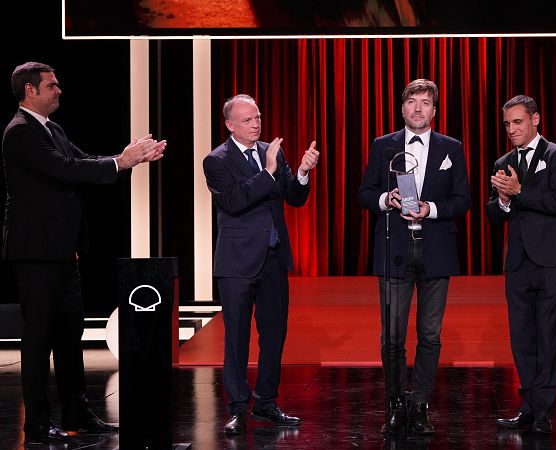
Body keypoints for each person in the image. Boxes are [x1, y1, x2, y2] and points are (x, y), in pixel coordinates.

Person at [1, 61, 166, 444]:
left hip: (63, 252)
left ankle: (77, 413)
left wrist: (127, 159)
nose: (59, 90)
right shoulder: (20, 133)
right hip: (36, 253)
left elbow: (84, 161)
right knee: (39, 339)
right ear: (30, 90)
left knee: (70, 335)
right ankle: (37, 426)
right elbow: (66, 169)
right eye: (52, 85)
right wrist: (121, 162)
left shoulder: (51, 129)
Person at [357, 79, 471, 435]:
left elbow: (462, 200)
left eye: (425, 102)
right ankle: (394, 405)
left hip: (435, 249)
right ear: (402, 108)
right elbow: (364, 193)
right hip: (394, 249)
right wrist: (384, 200)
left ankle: (419, 405)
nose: (418, 108)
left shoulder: (451, 147)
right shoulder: (382, 146)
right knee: (391, 335)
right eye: (412, 102)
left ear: (434, 111)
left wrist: (431, 208)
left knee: (430, 334)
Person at [203, 94, 318, 436]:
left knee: (274, 336)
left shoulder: (273, 150)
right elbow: (235, 202)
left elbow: (292, 198)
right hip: (237, 263)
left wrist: (300, 172)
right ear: (230, 125)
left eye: (258, 117)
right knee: (236, 338)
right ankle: (237, 408)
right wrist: (268, 171)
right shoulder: (216, 160)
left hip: (272, 259)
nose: (256, 124)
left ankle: (265, 402)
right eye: (248, 120)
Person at [488, 94, 556, 435]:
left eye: (518, 122)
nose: (512, 130)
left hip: (552, 260)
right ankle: (528, 405)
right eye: (507, 124)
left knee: (547, 335)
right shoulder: (503, 160)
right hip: (518, 261)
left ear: (535, 119)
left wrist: (519, 191)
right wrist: (503, 199)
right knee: (522, 336)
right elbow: (493, 214)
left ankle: (543, 409)